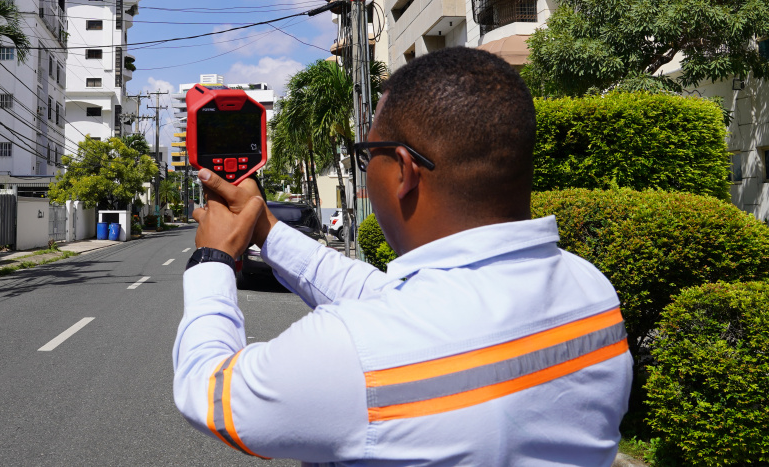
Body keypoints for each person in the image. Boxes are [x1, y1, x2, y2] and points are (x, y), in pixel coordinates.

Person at [173, 47, 631, 466]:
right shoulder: (591, 291)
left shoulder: (356, 354)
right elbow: (387, 299)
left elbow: (208, 390)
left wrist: (212, 258)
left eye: (366, 154)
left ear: (405, 171)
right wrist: (266, 230)